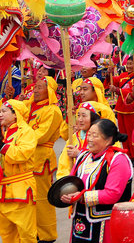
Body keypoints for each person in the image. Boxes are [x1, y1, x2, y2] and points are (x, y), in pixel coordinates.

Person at [63, 119, 133, 243]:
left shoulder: (118, 160)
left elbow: (113, 194)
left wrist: (81, 197)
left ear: (108, 139)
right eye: (89, 134)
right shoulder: (83, 157)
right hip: (81, 221)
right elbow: (71, 181)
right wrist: (65, 194)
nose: (89, 138)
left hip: (106, 223)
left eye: (95, 135)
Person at [23, 75, 63, 243]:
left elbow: (41, 135)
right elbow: (12, 112)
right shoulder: (29, 106)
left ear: (50, 91)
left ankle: (47, 235)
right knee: (28, 199)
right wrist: (10, 98)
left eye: (39, 87)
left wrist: (20, 138)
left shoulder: (52, 111)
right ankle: (34, 232)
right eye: (35, 87)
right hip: (25, 158)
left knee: (41, 199)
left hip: (40, 159)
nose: (35, 90)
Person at [0, 99, 37, 243]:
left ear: (16, 115)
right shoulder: (3, 131)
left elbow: (22, 154)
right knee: (7, 235)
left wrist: (2, 146)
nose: (0, 114)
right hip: (3, 191)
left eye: (4, 111)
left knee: (27, 234)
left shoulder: (26, 132)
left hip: (21, 188)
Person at [109, 56, 134, 158]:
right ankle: (127, 153)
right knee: (123, 133)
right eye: (127, 63)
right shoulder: (123, 75)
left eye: (131, 64)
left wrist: (118, 90)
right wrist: (109, 73)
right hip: (121, 108)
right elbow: (114, 81)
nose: (128, 66)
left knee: (132, 133)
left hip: (131, 109)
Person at [58, 102, 101, 177]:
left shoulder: (100, 138)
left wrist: (80, 154)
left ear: (93, 118)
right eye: (78, 116)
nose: (80, 120)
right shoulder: (73, 138)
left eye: (84, 116)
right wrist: (66, 181)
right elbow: (64, 163)